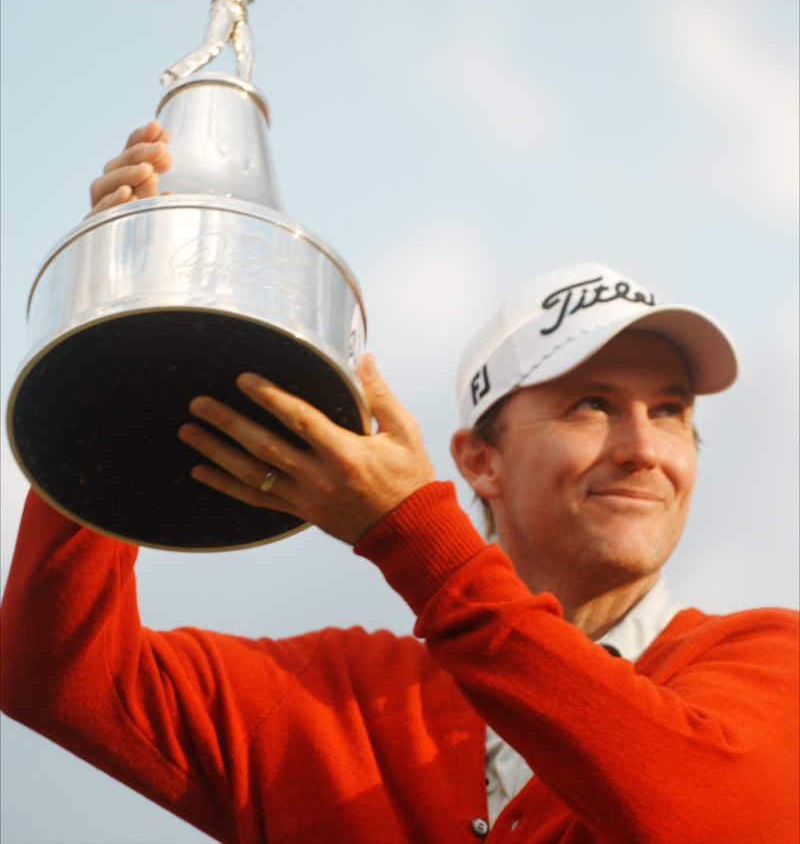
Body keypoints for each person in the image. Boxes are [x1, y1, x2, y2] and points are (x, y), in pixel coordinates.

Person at [2, 123, 798, 843]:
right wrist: (114, 336)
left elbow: (703, 814)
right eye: (591, 405)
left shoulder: (767, 661)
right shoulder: (337, 699)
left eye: (670, 411)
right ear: (480, 460)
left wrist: (418, 537)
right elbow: (58, 674)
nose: (644, 449)